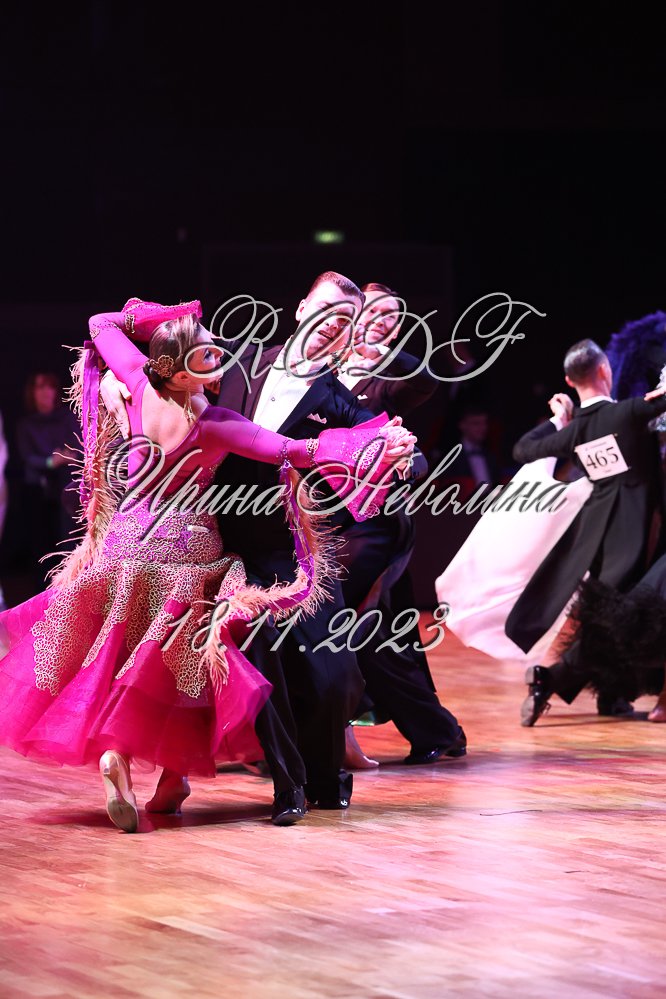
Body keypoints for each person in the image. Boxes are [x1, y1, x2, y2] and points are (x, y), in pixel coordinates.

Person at [0, 298, 409, 833]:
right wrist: (375, 445)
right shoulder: (214, 423)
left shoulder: (140, 384)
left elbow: (101, 324)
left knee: (119, 659)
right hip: (187, 556)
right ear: (185, 371)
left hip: (126, 547)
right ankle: (169, 772)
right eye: (209, 354)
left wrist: (169, 314)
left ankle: (131, 763)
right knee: (183, 670)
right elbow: (295, 450)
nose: (220, 359)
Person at [334, 281, 466, 765]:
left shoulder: (388, 379)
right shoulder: (327, 371)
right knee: (380, 634)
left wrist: (382, 352)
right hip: (332, 520)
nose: (381, 321)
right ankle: (437, 730)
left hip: (375, 523)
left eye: (391, 316)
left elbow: (426, 380)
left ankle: (324, 736)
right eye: (373, 311)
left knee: (349, 627)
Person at [505, 340, 666, 723]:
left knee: (614, 615)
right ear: (605, 370)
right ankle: (553, 678)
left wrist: (558, 420)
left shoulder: (577, 429)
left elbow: (523, 450)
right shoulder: (628, 412)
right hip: (638, 533)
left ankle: (611, 695)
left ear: (568, 381)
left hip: (597, 534)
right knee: (623, 617)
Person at [16, 372, 79, 589]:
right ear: (32, 393)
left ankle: (68, 586)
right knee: (40, 541)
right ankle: (42, 589)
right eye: (39, 387)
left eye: (49, 386)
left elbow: (77, 450)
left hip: (66, 487)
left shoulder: (67, 418)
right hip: (38, 490)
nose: (45, 392)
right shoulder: (26, 425)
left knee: (67, 536)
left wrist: (64, 459)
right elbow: (28, 458)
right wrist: (52, 461)